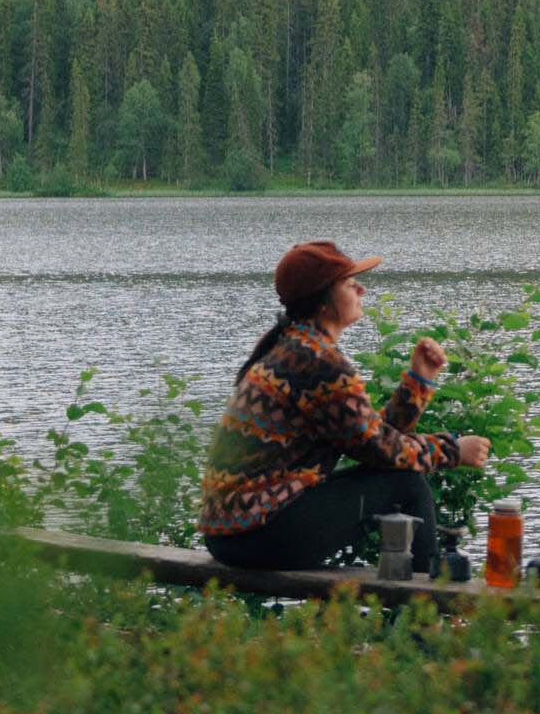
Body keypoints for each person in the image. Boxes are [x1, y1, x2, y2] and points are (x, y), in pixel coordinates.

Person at [198, 239, 487, 572]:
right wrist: (452, 450)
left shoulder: (295, 347)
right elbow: (379, 448)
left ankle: (422, 601)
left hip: (234, 535)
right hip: (260, 535)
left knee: (397, 473)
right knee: (407, 483)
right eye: (350, 284)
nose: (361, 290)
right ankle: (427, 606)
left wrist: (418, 383)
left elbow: (369, 440)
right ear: (324, 302)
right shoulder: (316, 361)